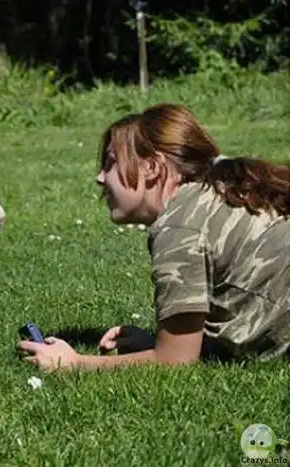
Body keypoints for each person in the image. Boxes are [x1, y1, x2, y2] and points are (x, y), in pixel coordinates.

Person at [18, 103, 290, 371]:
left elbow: (176, 360)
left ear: (152, 167)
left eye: (111, 163)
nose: (100, 178)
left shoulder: (180, 228)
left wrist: (75, 363)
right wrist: (155, 343)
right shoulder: (216, 193)